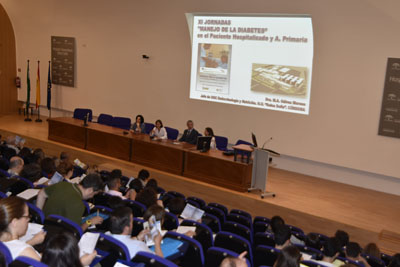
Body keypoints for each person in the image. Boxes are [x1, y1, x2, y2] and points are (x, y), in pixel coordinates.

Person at [36, 173, 104, 230]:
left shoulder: (62, 184)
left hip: (43, 224)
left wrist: (39, 216)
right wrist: (89, 222)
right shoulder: (79, 205)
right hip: (55, 234)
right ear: (90, 190)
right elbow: (75, 232)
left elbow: (41, 193)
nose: (92, 197)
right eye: (94, 194)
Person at [0, 196, 45, 261]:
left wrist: (31, 242)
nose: (28, 220)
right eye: (26, 217)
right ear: (14, 222)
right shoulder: (26, 251)